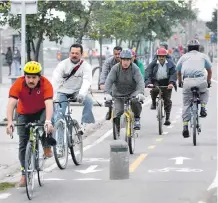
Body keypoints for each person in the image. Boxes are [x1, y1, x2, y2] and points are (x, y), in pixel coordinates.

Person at [6, 61, 54, 187]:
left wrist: (48, 121)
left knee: (45, 125)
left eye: (34, 77)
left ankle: (46, 144)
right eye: (28, 77)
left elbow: (49, 103)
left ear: (39, 77)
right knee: (23, 142)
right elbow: (11, 103)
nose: (31, 80)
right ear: (24, 76)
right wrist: (10, 121)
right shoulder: (19, 83)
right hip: (23, 113)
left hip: (41, 110)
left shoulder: (46, 84)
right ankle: (24, 173)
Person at [51, 44, 94, 133]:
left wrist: (82, 94)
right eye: (72, 53)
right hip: (63, 92)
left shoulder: (86, 66)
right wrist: (53, 96)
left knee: (89, 102)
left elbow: (87, 81)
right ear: (69, 53)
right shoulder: (62, 64)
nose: (74, 55)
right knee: (60, 114)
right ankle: (60, 141)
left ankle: (83, 124)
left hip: (77, 92)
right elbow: (55, 80)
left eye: (77, 53)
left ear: (81, 54)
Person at [176, 39, 212, 138]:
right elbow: (209, 71)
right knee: (205, 92)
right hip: (200, 80)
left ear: (188, 48)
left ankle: (185, 126)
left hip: (187, 82)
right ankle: (203, 107)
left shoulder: (183, 57)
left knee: (187, 103)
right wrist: (208, 82)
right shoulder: (203, 56)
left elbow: (178, 71)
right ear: (198, 47)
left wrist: (180, 82)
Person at [104, 49, 145, 132]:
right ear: (120, 60)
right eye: (124, 60)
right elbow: (109, 81)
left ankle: (137, 119)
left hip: (132, 92)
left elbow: (140, 81)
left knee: (135, 101)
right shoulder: (115, 68)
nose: (125, 62)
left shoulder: (135, 68)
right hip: (118, 93)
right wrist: (107, 93)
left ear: (131, 60)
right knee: (118, 111)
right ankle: (117, 127)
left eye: (127, 60)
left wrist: (140, 93)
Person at [145, 48, 177, 126]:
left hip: (167, 82)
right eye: (160, 56)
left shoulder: (170, 63)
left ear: (166, 56)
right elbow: (147, 72)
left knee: (167, 101)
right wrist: (149, 83)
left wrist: (171, 83)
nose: (161, 58)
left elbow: (173, 73)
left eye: (163, 56)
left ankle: (167, 118)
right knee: (154, 90)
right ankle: (153, 102)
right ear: (157, 56)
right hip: (156, 81)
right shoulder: (153, 63)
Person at [100, 46, 122, 120]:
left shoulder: (126, 60)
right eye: (115, 54)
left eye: (119, 54)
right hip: (112, 82)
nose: (117, 56)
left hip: (124, 82)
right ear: (113, 54)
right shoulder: (108, 61)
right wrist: (102, 83)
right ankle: (110, 110)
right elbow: (104, 72)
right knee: (109, 98)